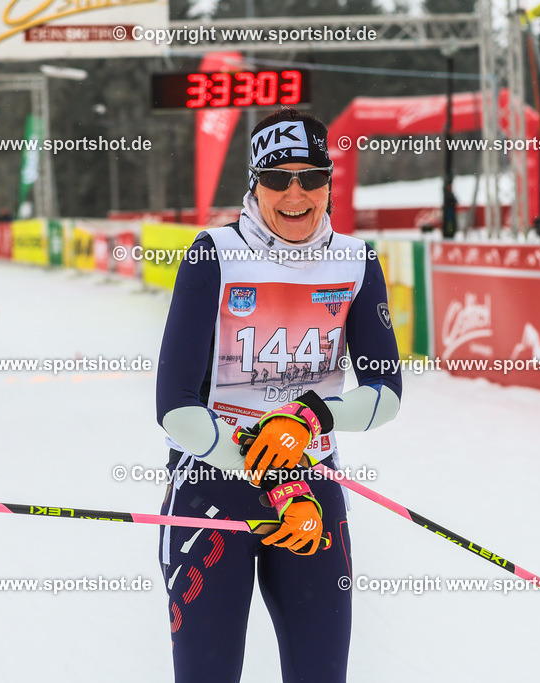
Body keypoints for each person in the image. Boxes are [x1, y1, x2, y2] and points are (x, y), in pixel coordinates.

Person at [155, 107, 402, 682]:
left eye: (311, 177)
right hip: (212, 489)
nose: (296, 194)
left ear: (329, 185)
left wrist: (306, 421)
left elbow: (384, 393)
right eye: (276, 178)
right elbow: (174, 406)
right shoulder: (212, 253)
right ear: (254, 186)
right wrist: (271, 467)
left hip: (312, 493)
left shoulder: (356, 261)